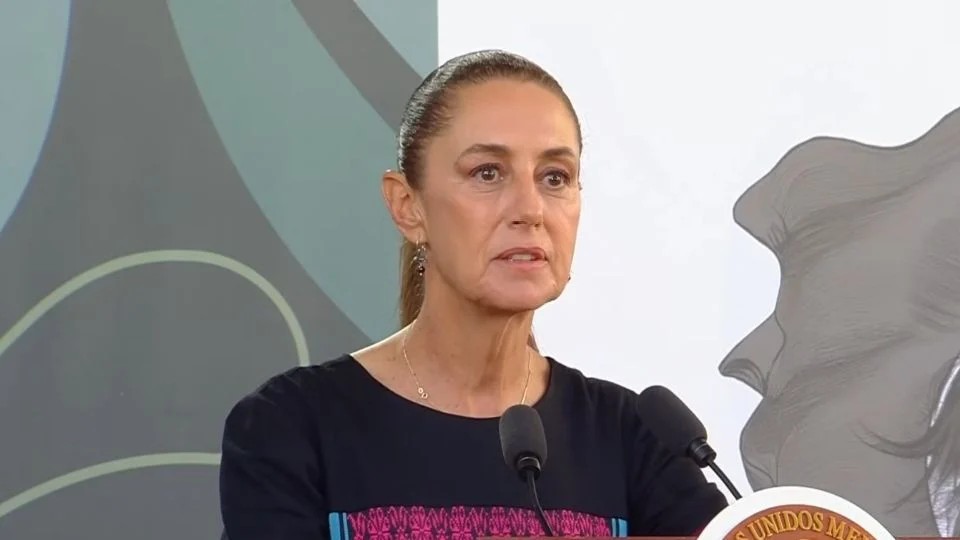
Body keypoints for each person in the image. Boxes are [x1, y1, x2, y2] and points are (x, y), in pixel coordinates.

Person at [219, 49, 728, 539]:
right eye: (488, 173)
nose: (530, 209)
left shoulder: (634, 437)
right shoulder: (292, 427)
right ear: (407, 206)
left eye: (555, 177)